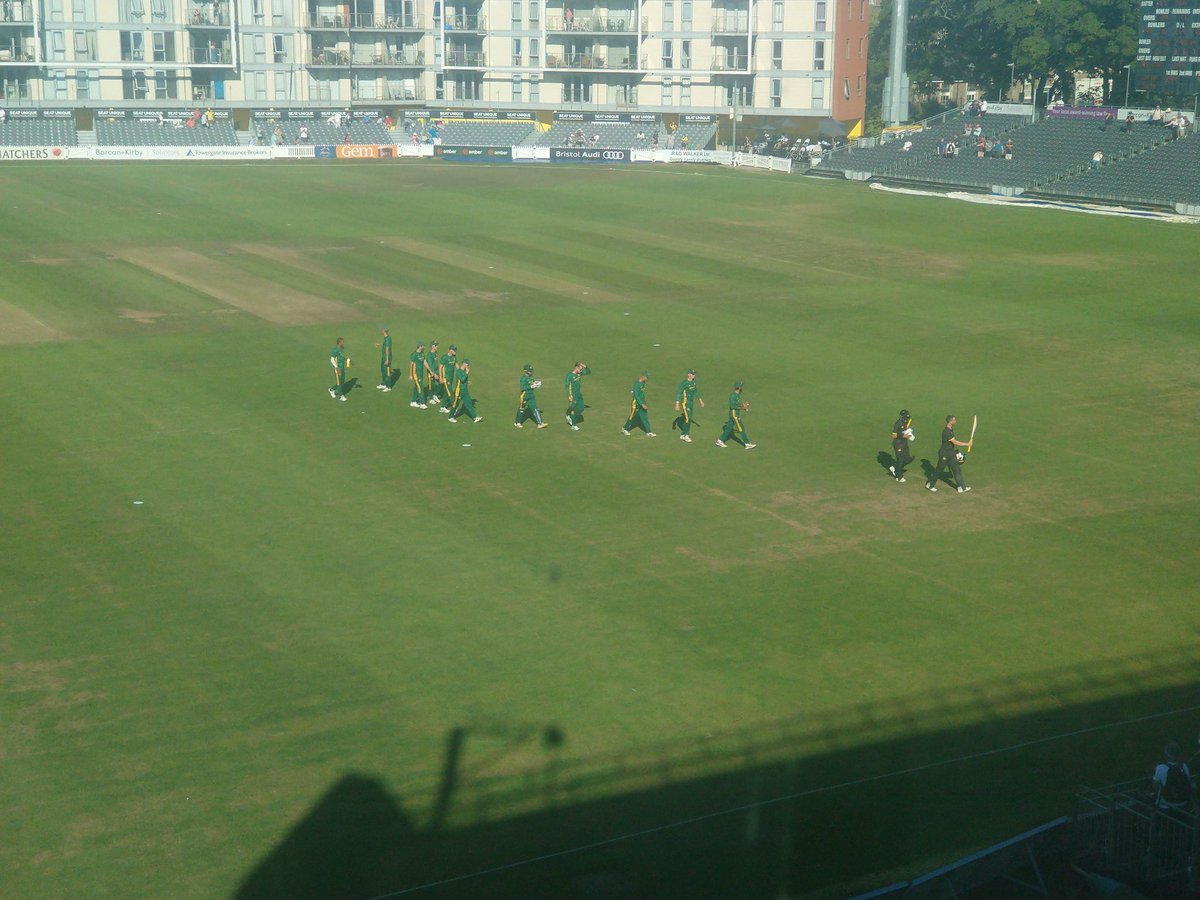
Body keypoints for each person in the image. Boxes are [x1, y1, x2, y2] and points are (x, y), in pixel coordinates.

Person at [925, 415, 971, 492]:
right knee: (939, 470)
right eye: (954, 420)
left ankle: (961, 487)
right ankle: (930, 485)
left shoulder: (951, 429)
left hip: (951, 453)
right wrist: (967, 444)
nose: (955, 421)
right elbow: (955, 442)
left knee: (957, 470)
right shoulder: (946, 431)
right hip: (944, 454)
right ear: (951, 421)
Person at [1152, 742, 1193, 810]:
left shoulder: (1161, 767)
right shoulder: (1184, 766)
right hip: (1183, 804)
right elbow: (1189, 782)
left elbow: (1155, 787)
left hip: (1166, 805)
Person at [715, 381, 755, 449]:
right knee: (741, 428)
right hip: (734, 415)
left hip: (735, 414)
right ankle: (747, 444)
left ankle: (720, 441)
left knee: (728, 429)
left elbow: (737, 403)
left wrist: (743, 405)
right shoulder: (733, 395)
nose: (742, 388)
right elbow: (732, 406)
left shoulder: (738, 394)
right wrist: (743, 408)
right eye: (741, 386)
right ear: (738, 388)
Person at [672, 368, 704, 442]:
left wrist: (700, 400)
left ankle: (683, 434)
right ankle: (685, 435)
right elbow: (679, 393)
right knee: (688, 419)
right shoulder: (684, 383)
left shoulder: (693, 382)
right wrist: (677, 404)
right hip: (685, 403)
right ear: (688, 374)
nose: (694, 375)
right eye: (692, 374)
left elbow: (696, 391)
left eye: (694, 374)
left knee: (689, 418)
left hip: (691, 403)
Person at [447, 359, 482, 423]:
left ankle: (475, 417)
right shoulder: (459, 371)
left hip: (465, 391)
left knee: (469, 404)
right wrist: (467, 373)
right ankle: (450, 417)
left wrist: (468, 381)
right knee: (455, 404)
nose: (468, 366)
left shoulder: (463, 371)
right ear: (464, 364)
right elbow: (462, 379)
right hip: (459, 391)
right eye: (468, 365)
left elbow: (464, 380)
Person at [621, 371, 655, 437]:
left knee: (644, 417)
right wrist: (642, 404)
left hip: (642, 403)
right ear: (643, 377)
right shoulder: (637, 384)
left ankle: (649, 432)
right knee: (632, 416)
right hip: (636, 404)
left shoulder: (643, 383)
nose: (647, 379)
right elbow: (636, 395)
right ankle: (625, 429)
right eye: (647, 377)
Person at [514, 364, 547, 428]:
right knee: (522, 409)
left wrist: (537, 384)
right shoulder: (523, 378)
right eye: (529, 370)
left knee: (535, 409)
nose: (531, 372)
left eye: (531, 370)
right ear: (526, 371)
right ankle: (517, 422)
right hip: (524, 396)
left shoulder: (531, 377)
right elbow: (522, 387)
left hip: (531, 396)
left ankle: (540, 423)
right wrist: (531, 386)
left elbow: (532, 382)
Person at [565, 361, 590, 430]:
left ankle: (568, 414)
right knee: (575, 409)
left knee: (581, 408)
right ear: (576, 367)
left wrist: (585, 366)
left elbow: (588, 372)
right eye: (580, 369)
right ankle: (573, 425)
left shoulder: (579, 374)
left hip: (579, 394)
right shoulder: (569, 375)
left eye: (581, 369)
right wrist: (569, 395)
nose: (581, 370)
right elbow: (567, 386)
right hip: (573, 395)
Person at [889, 409, 913, 482]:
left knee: (908, 459)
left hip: (904, 443)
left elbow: (905, 431)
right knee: (900, 460)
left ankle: (894, 466)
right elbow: (894, 435)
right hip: (898, 444)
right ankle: (899, 477)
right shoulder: (898, 423)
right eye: (906, 417)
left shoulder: (905, 423)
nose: (908, 419)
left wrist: (909, 433)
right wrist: (903, 436)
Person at [328, 337, 349, 402]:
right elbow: (332, 359)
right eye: (342, 342)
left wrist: (348, 360)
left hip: (342, 368)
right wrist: (336, 367)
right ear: (339, 343)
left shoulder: (341, 349)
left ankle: (332, 390)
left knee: (342, 381)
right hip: (338, 368)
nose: (343, 343)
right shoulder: (335, 350)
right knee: (339, 382)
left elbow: (342, 356)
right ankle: (341, 396)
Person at [438, 344, 458, 413]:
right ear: (450, 350)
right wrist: (440, 377)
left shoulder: (454, 357)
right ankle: (454, 408)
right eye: (454, 350)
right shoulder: (445, 358)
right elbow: (440, 367)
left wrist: (461, 373)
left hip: (451, 378)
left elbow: (456, 365)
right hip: (446, 378)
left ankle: (442, 407)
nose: (455, 351)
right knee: (450, 393)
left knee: (446, 393)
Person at [408, 341, 428, 408]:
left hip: (421, 374)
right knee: (420, 388)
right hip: (416, 374)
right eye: (423, 346)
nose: (424, 347)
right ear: (420, 347)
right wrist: (410, 375)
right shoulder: (414, 354)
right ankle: (422, 403)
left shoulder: (422, 354)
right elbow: (411, 365)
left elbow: (424, 362)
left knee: (417, 387)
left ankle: (413, 401)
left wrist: (430, 370)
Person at [423, 340, 441, 406]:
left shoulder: (435, 353)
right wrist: (434, 373)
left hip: (437, 371)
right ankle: (431, 399)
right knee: (431, 385)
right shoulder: (429, 355)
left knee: (441, 382)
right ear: (433, 346)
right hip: (431, 373)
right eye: (436, 345)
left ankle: (435, 395)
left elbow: (436, 363)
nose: (437, 346)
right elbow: (430, 365)